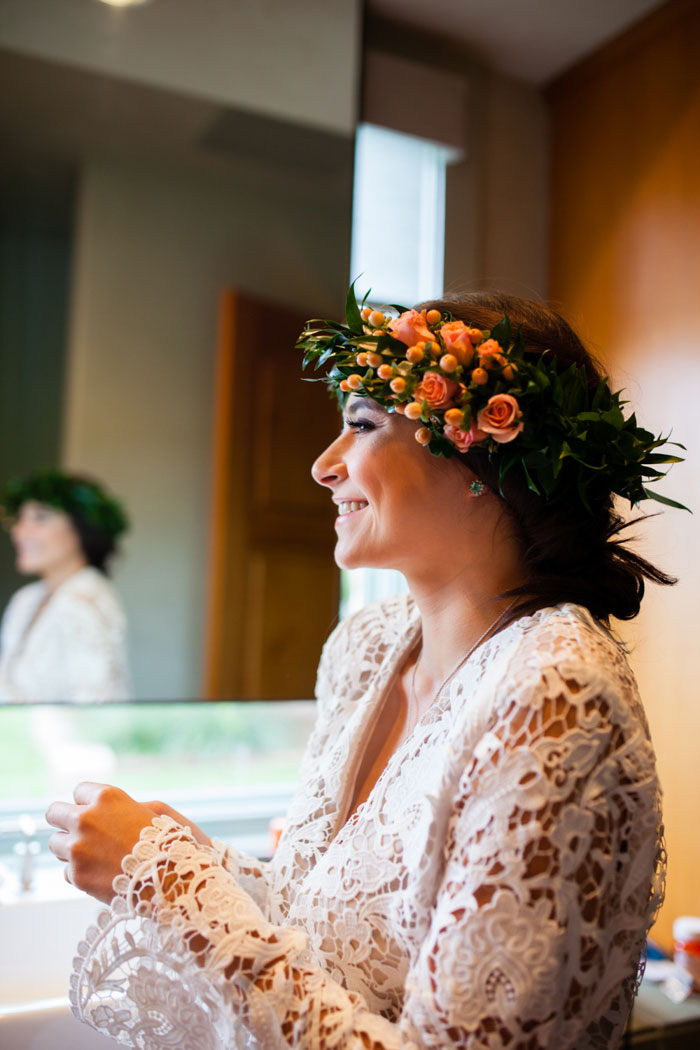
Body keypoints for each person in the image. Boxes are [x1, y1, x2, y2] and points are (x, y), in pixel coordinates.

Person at [45, 291, 684, 1049]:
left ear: (483, 451)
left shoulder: (556, 694)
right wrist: (199, 858)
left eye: (361, 426)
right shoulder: (367, 649)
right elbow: (332, 937)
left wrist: (172, 881)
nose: (322, 466)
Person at [0, 469, 130, 702]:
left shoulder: (86, 599)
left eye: (40, 518)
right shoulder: (26, 599)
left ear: (80, 529)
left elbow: (99, 707)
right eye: (21, 519)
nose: (21, 532)